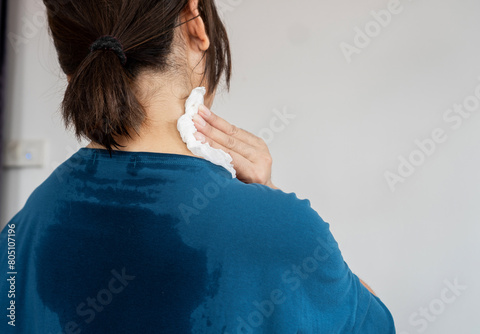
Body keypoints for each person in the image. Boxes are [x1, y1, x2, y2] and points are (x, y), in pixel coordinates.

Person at [0, 0, 395, 333]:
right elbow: (378, 324)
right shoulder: (282, 232)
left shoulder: (18, 236)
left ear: (69, 62)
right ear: (197, 23)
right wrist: (269, 194)